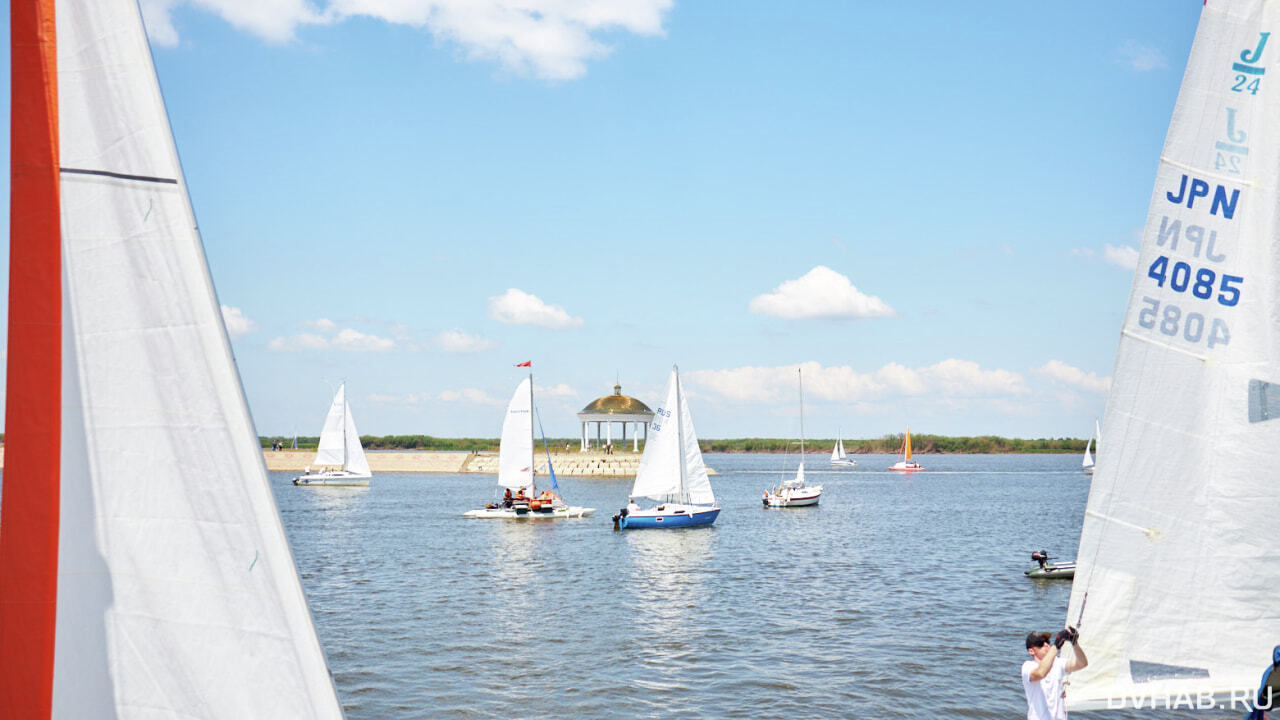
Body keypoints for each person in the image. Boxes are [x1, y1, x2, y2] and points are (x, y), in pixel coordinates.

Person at [1022, 627, 1087, 720]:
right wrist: (1056, 645)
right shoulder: (1028, 667)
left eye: (1047, 642)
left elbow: (1082, 663)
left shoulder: (1058, 663)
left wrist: (1074, 643)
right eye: (1040, 644)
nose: (1046, 645)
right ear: (1031, 651)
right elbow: (1041, 673)